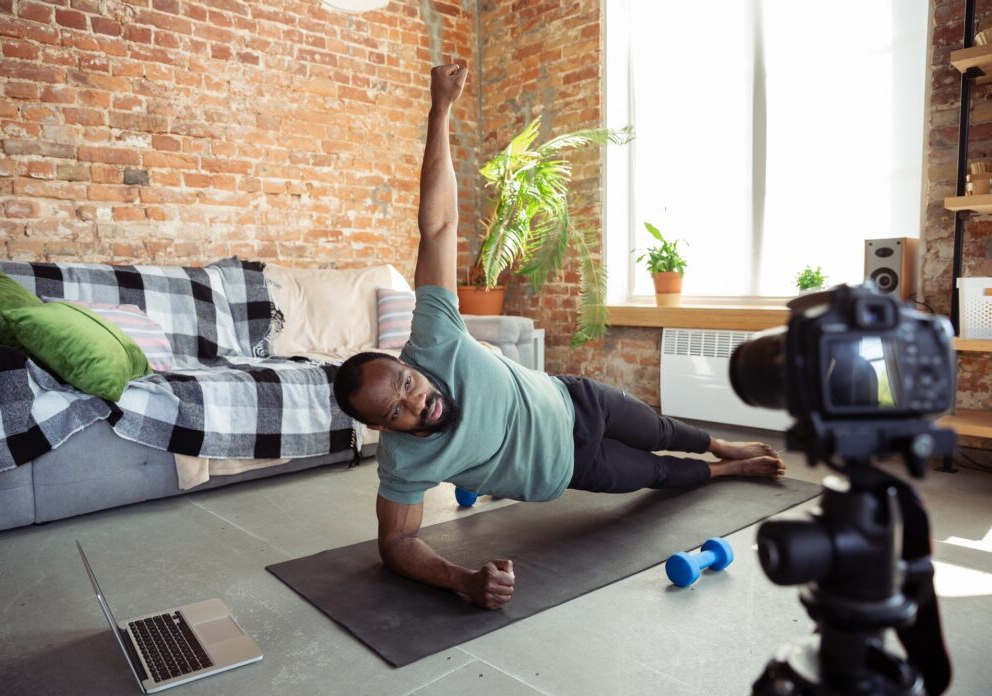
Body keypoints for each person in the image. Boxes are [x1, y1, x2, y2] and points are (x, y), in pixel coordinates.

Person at [333, 64, 786, 611]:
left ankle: (719, 443)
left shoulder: (433, 339)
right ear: (385, 429)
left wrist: (441, 109)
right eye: (396, 411)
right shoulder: (404, 463)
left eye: (407, 383)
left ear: (411, 365)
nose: (416, 401)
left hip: (577, 398)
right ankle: (726, 469)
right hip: (574, 469)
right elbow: (396, 543)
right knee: (660, 475)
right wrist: (463, 579)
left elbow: (438, 227)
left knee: (664, 428)